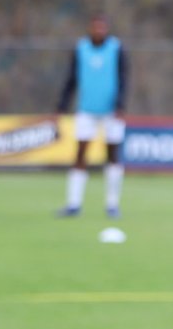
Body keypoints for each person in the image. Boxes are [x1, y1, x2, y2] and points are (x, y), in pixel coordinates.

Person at [55, 13, 129, 218]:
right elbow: (72, 78)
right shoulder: (81, 49)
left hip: (111, 111)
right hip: (86, 110)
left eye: (102, 27)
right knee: (80, 154)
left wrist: (120, 104)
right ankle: (73, 204)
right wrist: (62, 105)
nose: (99, 31)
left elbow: (123, 78)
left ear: (107, 28)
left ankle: (112, 205)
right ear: (90, 28)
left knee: (112, 155)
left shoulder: (116, 48)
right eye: (95, 27)